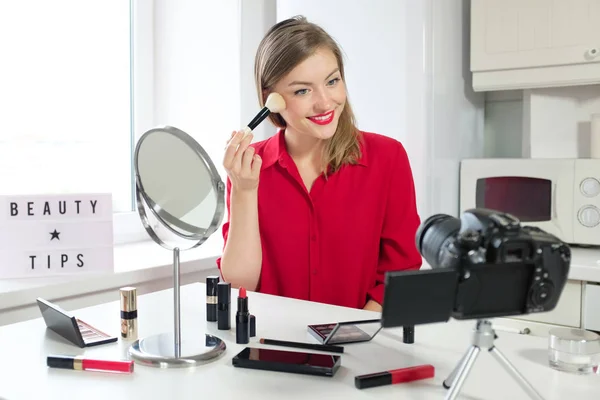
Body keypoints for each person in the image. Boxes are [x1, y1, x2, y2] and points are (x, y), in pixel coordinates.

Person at [217, 15, 422, 312]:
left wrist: (353, 337)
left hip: (360, 347)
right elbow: (240, 284)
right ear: (271, 99)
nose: (325, 102)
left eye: (332, 81)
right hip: (272, 349)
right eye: (303, 90)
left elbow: (401, 270)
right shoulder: (248, 169)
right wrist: (245, 190)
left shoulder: (387, 158)